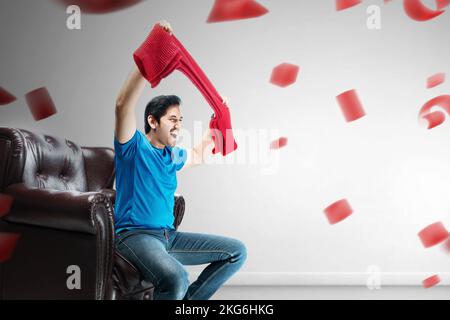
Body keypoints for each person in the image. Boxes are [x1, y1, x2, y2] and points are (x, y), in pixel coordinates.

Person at [113, 21, 247, 300]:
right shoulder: (133, 147)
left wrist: (221, 115)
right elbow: (123, 104)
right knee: (177, 277)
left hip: (167, 238)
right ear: (152, 121)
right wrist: (152, 55)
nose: (178, 126)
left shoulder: (172, 156)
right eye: (172, 119)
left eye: (181, 120)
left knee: (236, 252)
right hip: (135, 238)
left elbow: (202, 152)